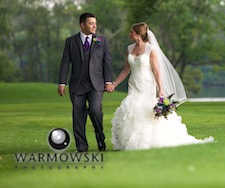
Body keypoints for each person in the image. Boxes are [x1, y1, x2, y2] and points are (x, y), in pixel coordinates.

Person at [109, 22, 213, 150]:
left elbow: (157, 71)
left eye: (131, 32)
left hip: (147, 84)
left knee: (145, 110)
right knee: (131, 107)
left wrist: (161, 90)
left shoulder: (150, 49)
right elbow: (126, 70)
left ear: (138, 34)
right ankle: (129, 141)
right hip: (133, 85)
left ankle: (146, 141)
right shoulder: (129, 49)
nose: (129, 34)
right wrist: (114, 83)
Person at [57, 13, 114, 152]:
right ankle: (81, 147)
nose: (94, 26)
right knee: (78, 116)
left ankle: (100, 138)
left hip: (96, 84)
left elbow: (107, 61)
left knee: (95, 111)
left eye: (95, 23)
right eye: (91, 23)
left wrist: (108, 81)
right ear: (82, 25)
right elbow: (65, 63)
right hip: (77, 85)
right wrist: (62, 83)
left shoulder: (102, 40)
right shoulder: (70, 41)